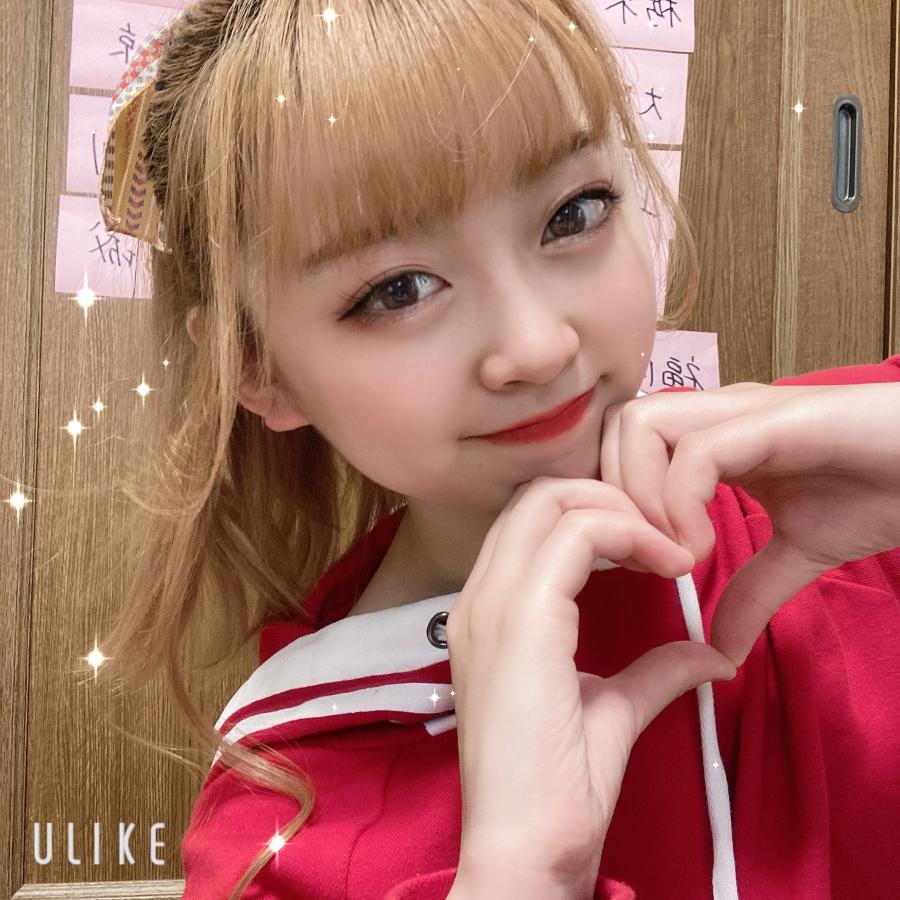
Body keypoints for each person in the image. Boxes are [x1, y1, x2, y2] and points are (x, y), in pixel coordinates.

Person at [97, 1, 900, 897]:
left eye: (573, 213)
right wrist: (522, 876)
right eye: (398, 289)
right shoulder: (280, 837)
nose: (537, 346)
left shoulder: (832, 481)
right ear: (260, 371)